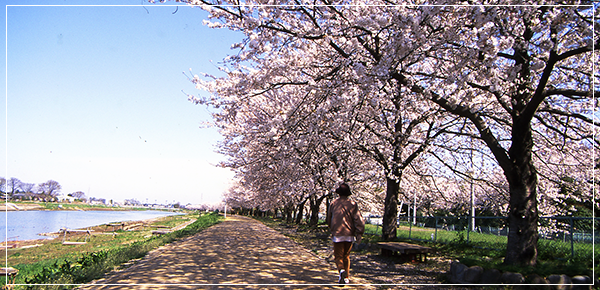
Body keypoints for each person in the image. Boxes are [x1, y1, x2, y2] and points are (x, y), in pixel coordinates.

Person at [326, 183, 365, 285]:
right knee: (346, 256)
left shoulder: (334, 203)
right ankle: (346, 277)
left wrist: (331, 227)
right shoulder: (352, 204)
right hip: (349, 233)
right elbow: (358, 219)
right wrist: (359, 232)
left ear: (338, 193)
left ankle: (342, 271)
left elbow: (329, 218)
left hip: (337, 233)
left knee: (338, 256)